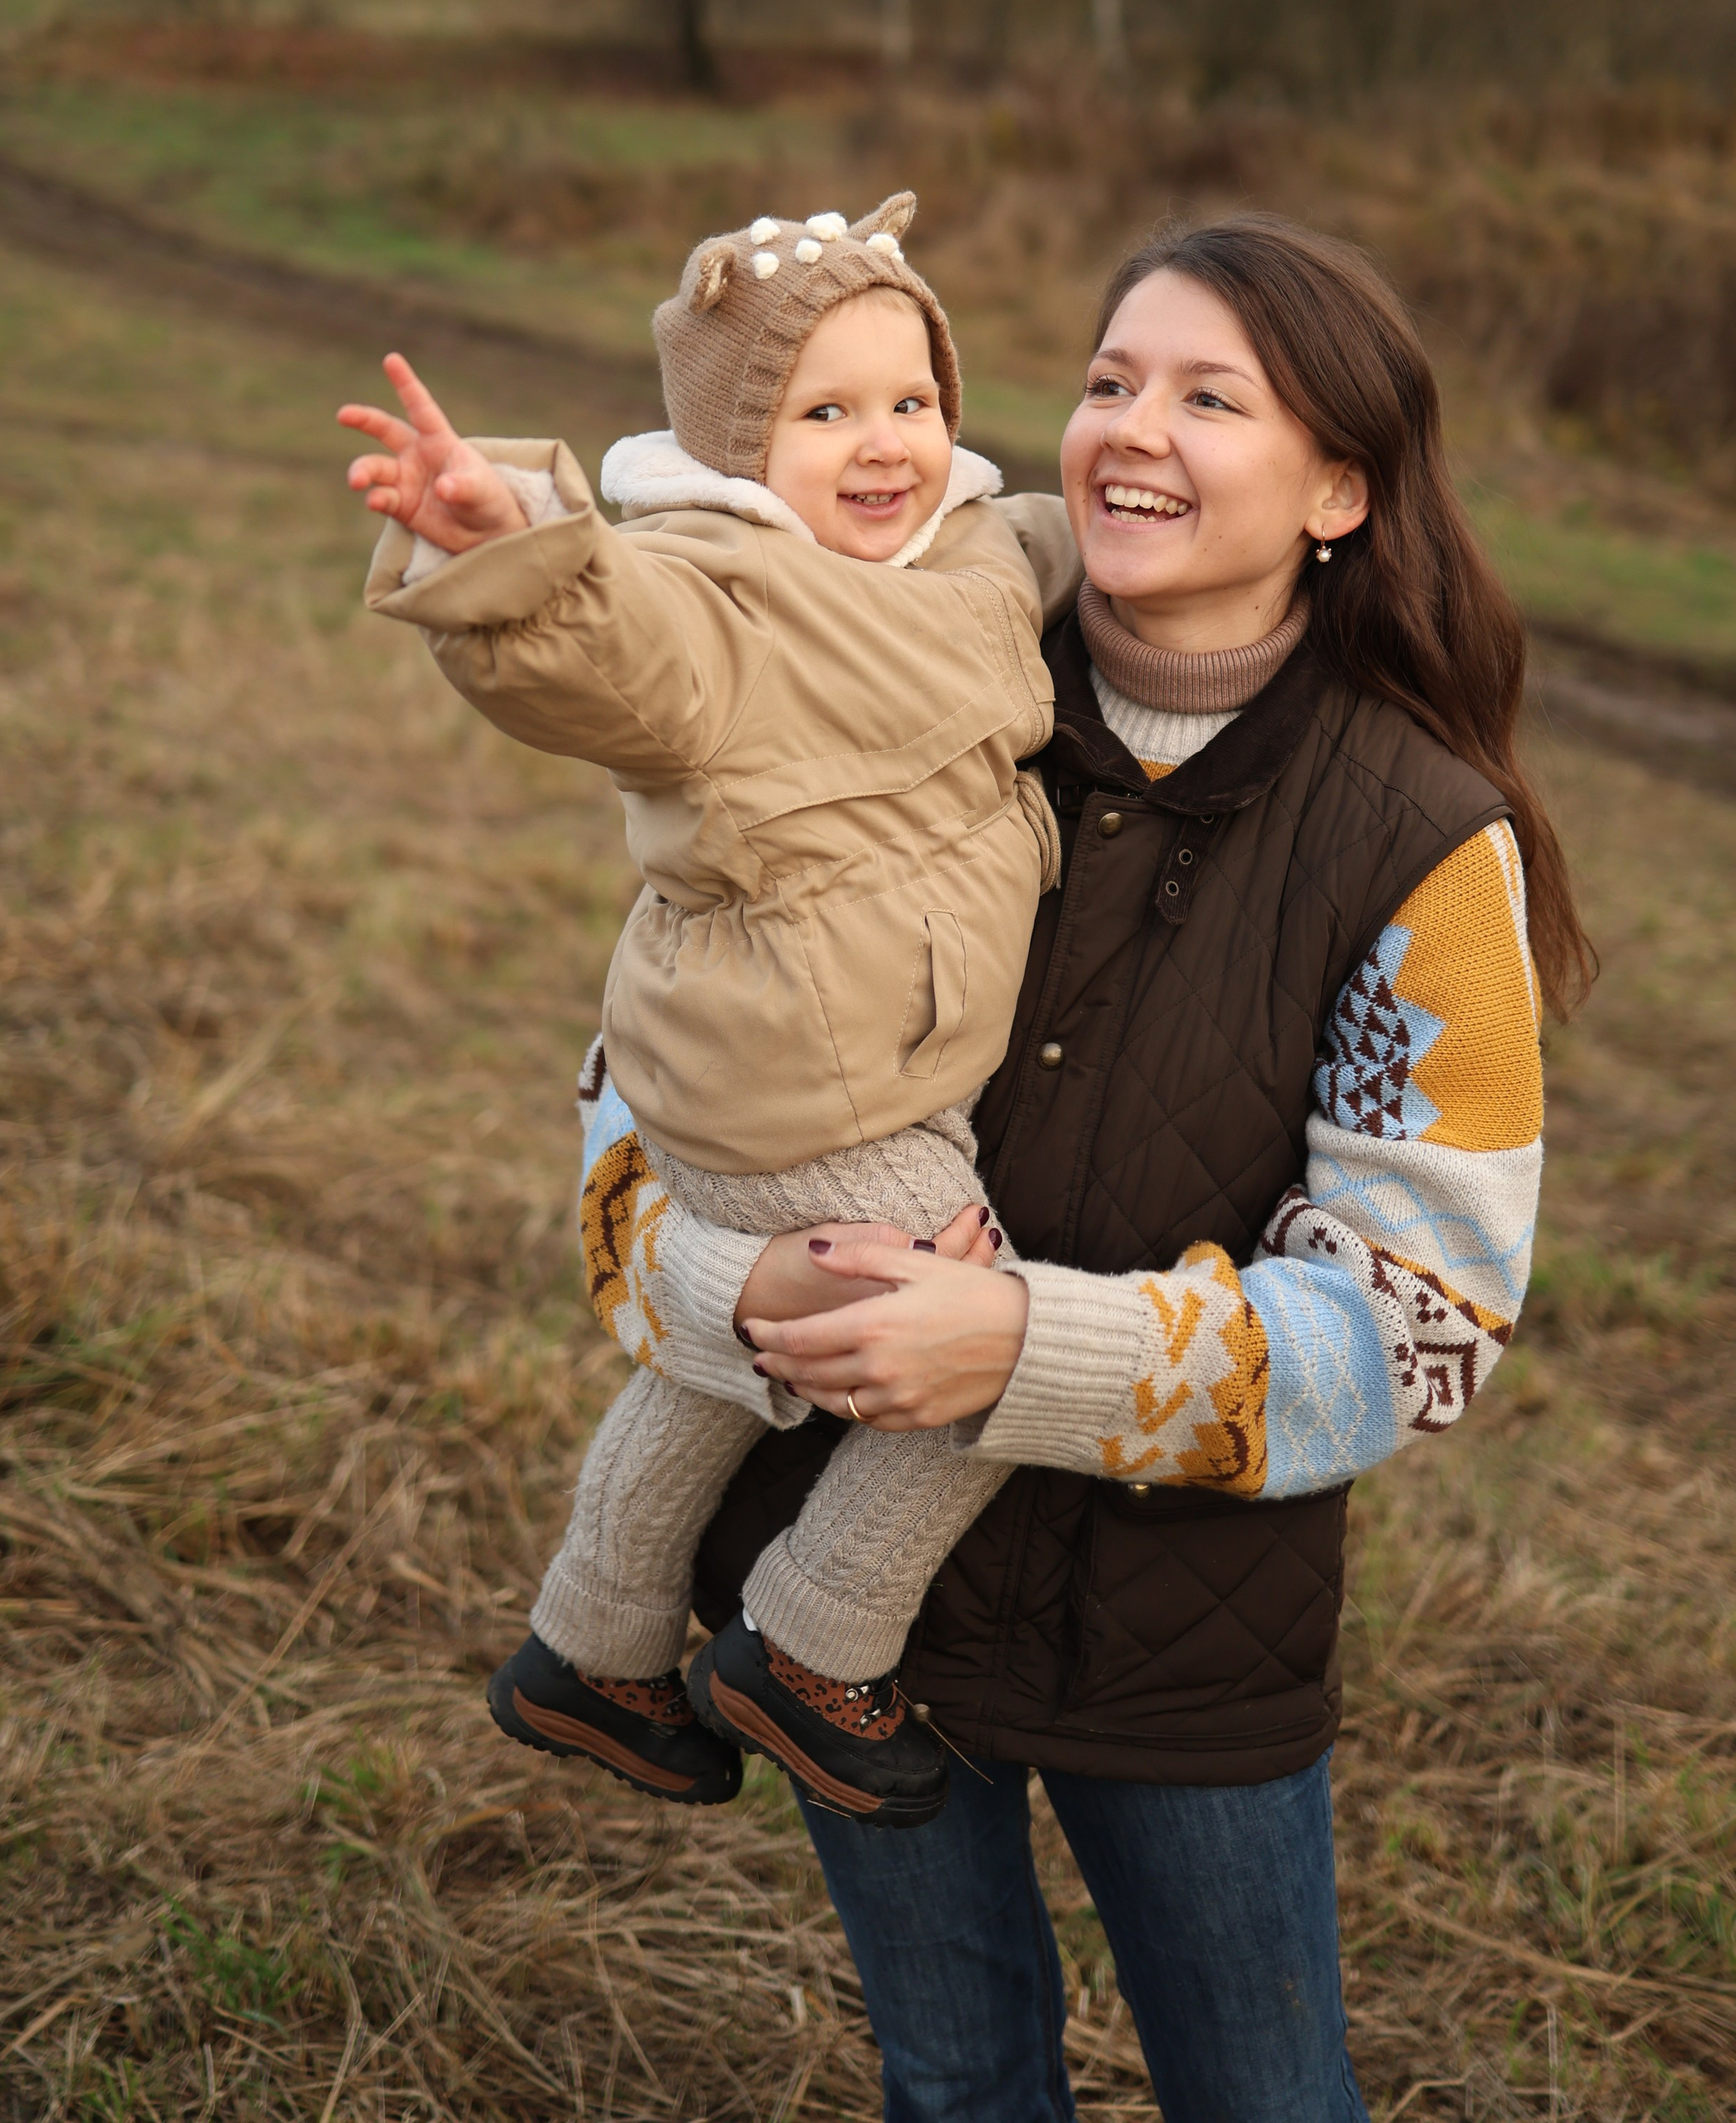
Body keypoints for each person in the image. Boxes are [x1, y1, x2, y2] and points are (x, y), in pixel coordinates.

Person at [576, 213, 1590, 2123]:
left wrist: (1014, 1350)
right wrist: (733, 1305)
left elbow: (1425, 1318)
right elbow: (639, 1104)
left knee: (1263, 2098)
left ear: (1338, 491)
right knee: (956, 2086)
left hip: (1178, 1638)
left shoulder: (1422, 847)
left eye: (1212, 397)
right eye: (1110, 378)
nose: (1130, 428)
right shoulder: (875, 659)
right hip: (834, 1617)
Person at [339, 194, 1080, 1827]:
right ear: (741, 455)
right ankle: (810, 1642)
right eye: (824, 414)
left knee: (710, 1367)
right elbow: (603, 639)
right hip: (798, 1084)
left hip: (810, 1066)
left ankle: (588, 1647)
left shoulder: (962, 548)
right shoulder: (718, 594)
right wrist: (504, 543)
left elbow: (1046, 543)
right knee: (990, 1352)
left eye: (910, 401)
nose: (882, 444)